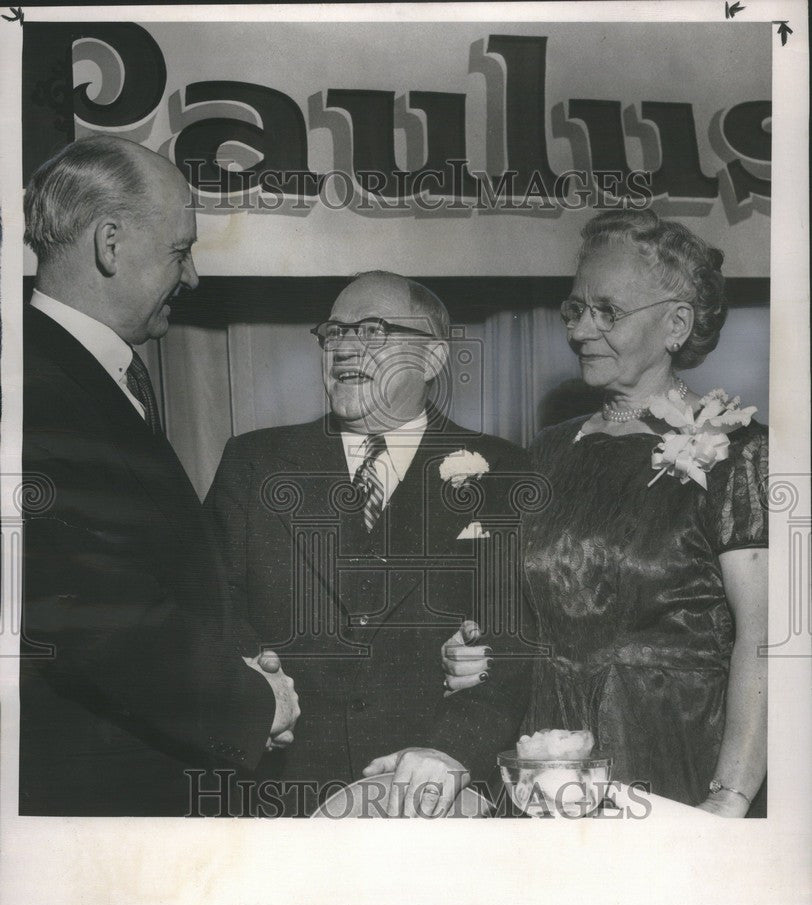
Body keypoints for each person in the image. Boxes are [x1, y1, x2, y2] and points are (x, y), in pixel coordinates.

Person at [445, 209, 768, 817]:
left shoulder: (739, 451)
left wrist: (731, 795)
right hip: (550, 755)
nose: (581, 330)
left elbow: (767, 638)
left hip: (677, 756)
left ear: (676, 324)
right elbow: (515, 619)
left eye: (608, 312)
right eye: (575, 309)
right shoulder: (544, 453)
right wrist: (471, 653)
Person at [21, 135, 299, 816]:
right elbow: (88, 606)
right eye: (181, 251)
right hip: (95, 800)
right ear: (110, 245)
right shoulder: (36, 386)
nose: (194, 277)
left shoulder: (72, 373)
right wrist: (252, 704)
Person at [205, 271, 533, 816]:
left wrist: (454, 748)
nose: (345, 347)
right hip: (280, 796)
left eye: (374, 331)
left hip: (430, 798)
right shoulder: (253, 464)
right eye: (334, 331)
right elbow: (210, 609)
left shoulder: (501, 472)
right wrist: (254, 696)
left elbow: (515, 639)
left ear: (432, 358)